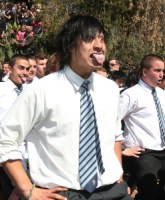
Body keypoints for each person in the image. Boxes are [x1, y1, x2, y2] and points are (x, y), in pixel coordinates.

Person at [0, 15, 133, 200]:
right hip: (63, 194)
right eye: (90, 38)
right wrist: (27, 190)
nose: (99, 45)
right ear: (70, 45)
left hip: (112, 190)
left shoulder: (110, 89)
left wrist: (118, 172)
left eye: (102, 39)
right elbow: (6, 138)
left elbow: (115, 136)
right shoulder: (41, 90)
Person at [120, 54, 165, 200]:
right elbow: (111, 122)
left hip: (163, 149)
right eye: (157, 70)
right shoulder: (130, 95)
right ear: (145, 72)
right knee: (148, 191)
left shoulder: (162, 94)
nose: (161, 74)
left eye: (163, 71)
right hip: (144, 153)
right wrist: (122, 149)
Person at [0, 54, 30, 200]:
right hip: (4, 157)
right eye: (21, 68)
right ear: (10, 69)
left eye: (27, 69)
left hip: (26, 155)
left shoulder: (29, 92)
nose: (25, 72)